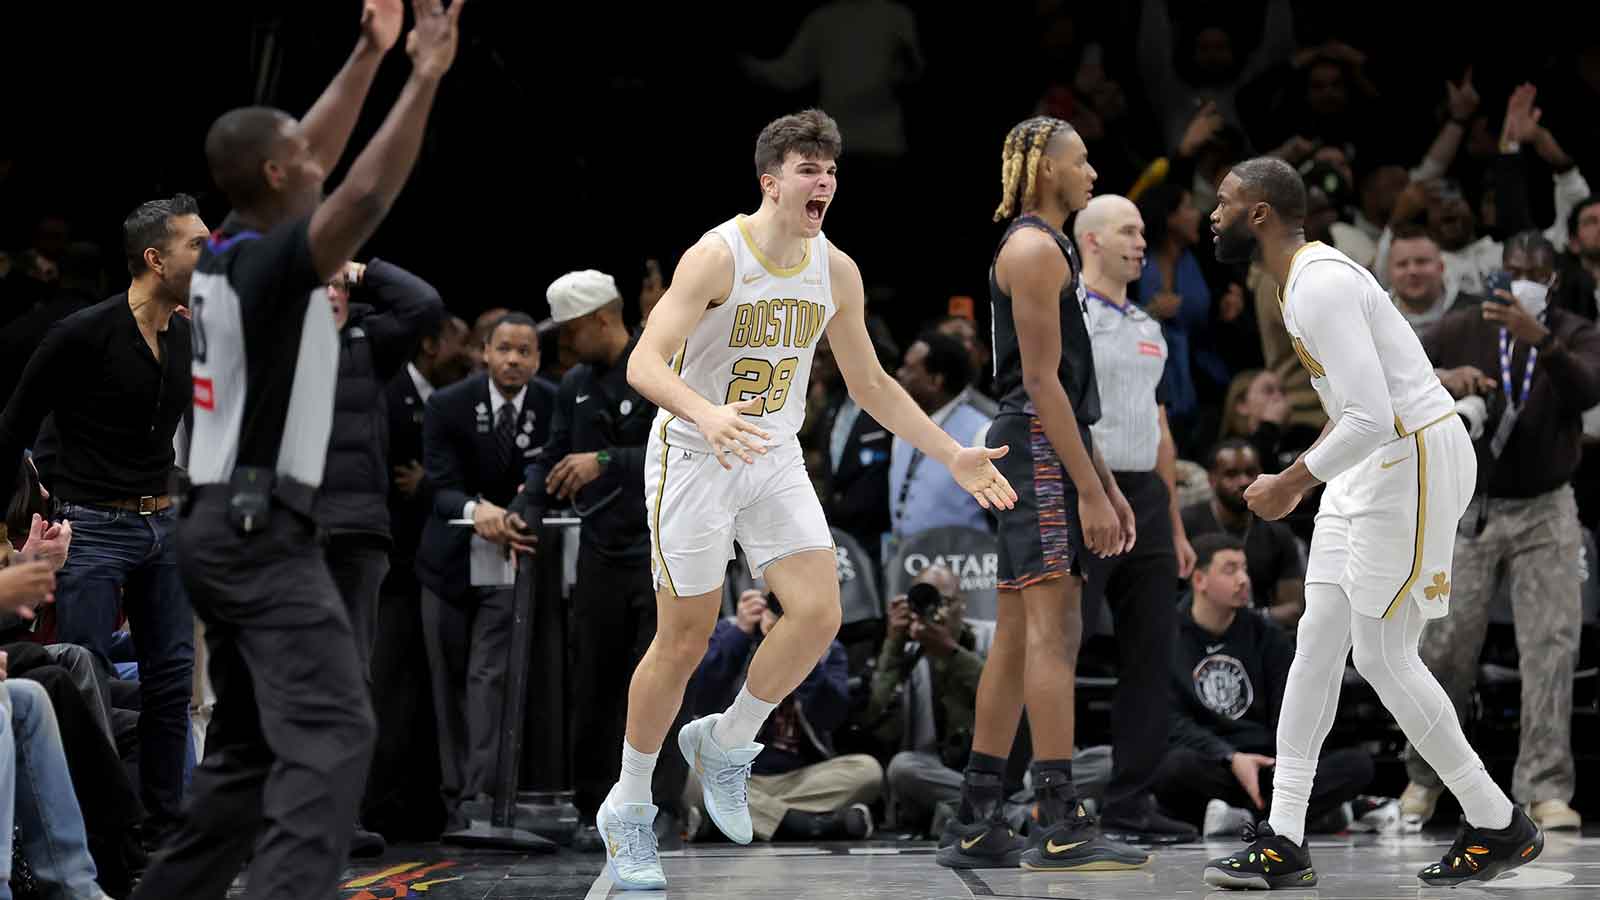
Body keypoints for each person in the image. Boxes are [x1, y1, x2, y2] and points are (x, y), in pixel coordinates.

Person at [592, 108, 1013, 891]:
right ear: (772, 182)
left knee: (819, 613)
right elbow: (643, 366)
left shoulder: (837, 269)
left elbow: (873, 385)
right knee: (682, 643)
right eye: (809, 170)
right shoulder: (716, 257)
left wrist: (950, 451)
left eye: (832, 171)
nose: (824, 183)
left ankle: (726, 741)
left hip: (773, 454)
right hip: (693, 453)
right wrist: (707, 411)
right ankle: (626, 805)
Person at [133, 5, 465, 899]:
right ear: (280, 175)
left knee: (246, 757)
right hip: (255, 532)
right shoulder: (269, 266)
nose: (319, 161)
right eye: (303, 159)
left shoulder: (231, 246)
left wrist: (368, 55)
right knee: (333, 730)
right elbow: (361, 194)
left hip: (217, 523)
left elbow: (299, 158)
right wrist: (424, 77)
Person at [1200, 156, 1541, 890]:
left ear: (1259, 214)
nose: (1212, 213)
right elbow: (1354, 414)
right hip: (1366, 462)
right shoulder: (1297, 281)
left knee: (1383, 655)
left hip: (1412, 457)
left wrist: (1293, 483)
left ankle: (1496, 821)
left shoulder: (1319, 282)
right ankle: (1284, 838)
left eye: (1224, 202)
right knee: (1317, 643)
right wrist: (1310, 475)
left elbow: (1374, 415)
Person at [937, 115, 1148, 873]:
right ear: (1048, 169)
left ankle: (975, 815)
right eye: (1082, 162)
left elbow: (1066, 389)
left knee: (1023, 636)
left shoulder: (1044, 247)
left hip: (1043, 446)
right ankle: (1058, 820)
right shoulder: (1032, 248)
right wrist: (1087, 490)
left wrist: (1107, 485)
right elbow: (1037, 385)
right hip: (1036, 450)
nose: (1091, 174)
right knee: (1055, 636)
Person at [0, 195, 206, 848]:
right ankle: (97, 835)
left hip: (162, 523)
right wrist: (8, 531)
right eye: (197, 245)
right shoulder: (82, 333)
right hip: (90, 526)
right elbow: (14, 429)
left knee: (172, 681)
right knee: (84, 679)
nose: (211, 256)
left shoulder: (185, 332)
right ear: (154, 258)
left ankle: (164, 828)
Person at [1402, 233, 1600, 833]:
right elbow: (1395, 363)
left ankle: (1544, 787)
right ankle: (1425, 778)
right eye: (1511, 271)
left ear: (1553, 280)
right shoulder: (1466, 324)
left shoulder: (1573, 330)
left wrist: (1541, 342)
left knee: (1551, 645)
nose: (1520, 281)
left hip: (1546, 507)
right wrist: (1444, 377)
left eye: (1533, 272)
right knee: (1442, 646)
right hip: (1469, 506)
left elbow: (1590, 389)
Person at [507, 270, 679, 831]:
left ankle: (661, 807)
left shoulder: (656, 367)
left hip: (660, 549)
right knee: (594, 682)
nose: (562, 343)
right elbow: (555, 455)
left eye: (570, 330)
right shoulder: (575, 382)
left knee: (658, 678)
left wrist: (603, 461)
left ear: (602, 319)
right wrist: (523, 506)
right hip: (600, 552)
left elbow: (675, 449)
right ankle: (592, 808)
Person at [1073, 194, 1197, 844]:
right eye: (1128, 231)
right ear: (1091, 240)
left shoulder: (1149, 327)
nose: (1142, 242)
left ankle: (1130, 803)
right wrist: (1094, 489)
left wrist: (1173, 525)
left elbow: (1161, 428)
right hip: (1082, 488)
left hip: (1145, 495)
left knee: (1152, 656)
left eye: (1144, 232)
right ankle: (1034, 799)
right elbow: (1063, 409)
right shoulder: (1071, 313)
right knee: (1056, 648)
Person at [317, 256, 445, 856]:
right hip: (291, 533)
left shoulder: (371, 342)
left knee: (352, 677)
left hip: (360, 533)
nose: (335, 295)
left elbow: (424, 305)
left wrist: (364, 269)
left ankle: (341, 814)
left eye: (341, 287)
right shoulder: (277, 338)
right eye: (324, 285)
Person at [415, 312, 551, 830]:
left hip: (511, 556)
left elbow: (547, 473)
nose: (514, 360)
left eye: (524, 352)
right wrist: (478, 512)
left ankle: (482, 795)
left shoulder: (550, 402)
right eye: (504, 350)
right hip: (446, 561)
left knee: (488, 675)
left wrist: (519, 511)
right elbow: (438, 485)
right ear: (485, 353)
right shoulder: (447, 405)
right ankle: (455, 795)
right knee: (447, 678)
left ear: (537, 358)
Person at [1154, 535, 1373, 838]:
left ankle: (1238, 818)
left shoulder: (1264, 634)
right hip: (1213, 761)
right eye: (1230, 570)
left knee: (1358, 765)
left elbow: (1290, 707)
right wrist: (1230, 758)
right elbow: (1170, 721)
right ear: (1200, 580)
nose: (1243, 579)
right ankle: (1295, 817)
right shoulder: (1168, 636)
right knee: (1171, 768)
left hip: (1269, 763)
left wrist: (1279, 765)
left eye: (1244, 568)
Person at [681, 589, 880, 843]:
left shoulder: (826, 646)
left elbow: (830, 717)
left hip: (798, 779)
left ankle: (737, 820)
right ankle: (806, 824)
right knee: (685, 770)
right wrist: (740, 635)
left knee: (868, 771)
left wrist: (805, 657)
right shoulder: (732, 631)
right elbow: (701, 698)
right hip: (728, 774)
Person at [867, 564, 984, 836]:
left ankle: (963, 813)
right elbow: (878, 724)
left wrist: (952, 654)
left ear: (962, 604)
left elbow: (1014, 706)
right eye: (927, 601)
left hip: (991, 769)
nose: (937, 611)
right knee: (902, 767)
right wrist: (892, 645)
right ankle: (1004, 811)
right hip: (931, 773)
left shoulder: (990, 637)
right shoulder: (905, 652)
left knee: (1099, 762)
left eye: (944, 601)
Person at [887, 330, 993, 553]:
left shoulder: (981, 431)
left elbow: (999, 513)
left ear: (936, 381)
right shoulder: (902, 426)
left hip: (964, 570)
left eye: (909, 369)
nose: (900, 374)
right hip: (904, 568)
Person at [1182, 441, 1306, 627]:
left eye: (1251, 473)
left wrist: (1242, 620)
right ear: (1211, 480)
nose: (1243, 482)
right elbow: (1169, 600)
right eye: (1231, 474)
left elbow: (1293, 609)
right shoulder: (1185, 525)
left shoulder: (1278, 533)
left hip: (1260, 639)